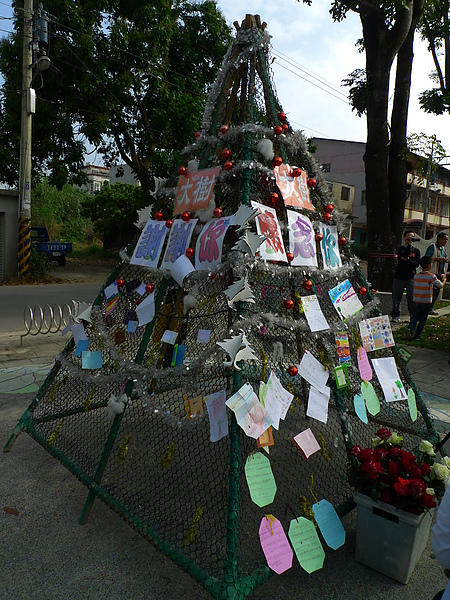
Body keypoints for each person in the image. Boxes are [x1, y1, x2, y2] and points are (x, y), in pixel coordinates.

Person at [407, 255, 444, 340]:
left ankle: (410, 328)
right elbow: (440, 285)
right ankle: (417, 335)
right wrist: (443, 280)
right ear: (428, 265)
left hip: (416, 299)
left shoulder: (416, 276)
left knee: (415, 316)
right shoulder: (431, 276)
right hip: (426, 300)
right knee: (423, 318)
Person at [390, 230, 421, 323]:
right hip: (399, 277)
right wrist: (407, 247)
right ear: (404, 238)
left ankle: (413, 315)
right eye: (408, 236)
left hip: (410, 277)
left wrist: (408, 261)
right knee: (396, 297)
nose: (410, 238)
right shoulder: (400, 249)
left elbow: (416, 263)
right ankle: (395, 315)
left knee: (411, 297)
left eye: (412, 237)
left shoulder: (416, 251)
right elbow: (402, 256)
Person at [425, 231, 449, 315]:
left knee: (437, 291)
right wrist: (438, 259)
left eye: (447, 240)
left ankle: (431, 307)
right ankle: (428, 308)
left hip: (440, 273)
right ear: (439, 239)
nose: (446, 241)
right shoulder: (432, 247)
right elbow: (427, 258)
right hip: (432, 273)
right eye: (444, 239)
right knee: (431, 291)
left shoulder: (443, 249)